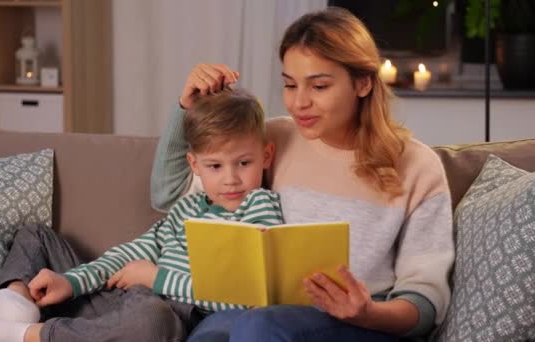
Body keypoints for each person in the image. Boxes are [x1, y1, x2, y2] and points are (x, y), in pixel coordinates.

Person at [150, 7, 454, 342]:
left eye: (319, 86)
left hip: (363, 326)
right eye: (290, 85)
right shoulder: (276, 138)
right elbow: (169, 194)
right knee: (211, 334)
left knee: (260, 327)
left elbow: (425, 304)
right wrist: (186, 108)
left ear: (363, 83)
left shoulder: (417, 166)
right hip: (264, 314)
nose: (299, 103)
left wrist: (368, 313)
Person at [0, 88, 284, 342]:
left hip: (170, 315)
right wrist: (72, 281)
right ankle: (17, 298)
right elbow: (132, 255)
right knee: (36, 235)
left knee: (149, 321)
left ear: (266, 156)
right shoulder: (187, 209)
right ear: (195, 165)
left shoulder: (260, 208)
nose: (231, 178)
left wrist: (156, 279)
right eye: (215, 166)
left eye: (244, 162)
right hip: (126, 300)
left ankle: (27, 335)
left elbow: (246, 297)